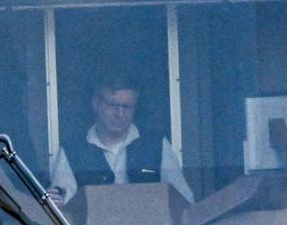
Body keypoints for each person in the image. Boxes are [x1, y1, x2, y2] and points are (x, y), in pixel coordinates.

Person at [48, 77, 194, 204]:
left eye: (127, 107)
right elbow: (63, 207)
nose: (120, 114)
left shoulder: (157, 145)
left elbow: (183, 199)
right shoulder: (72, 151)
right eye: (112, 105)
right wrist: (59, 202)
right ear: (96, 104)